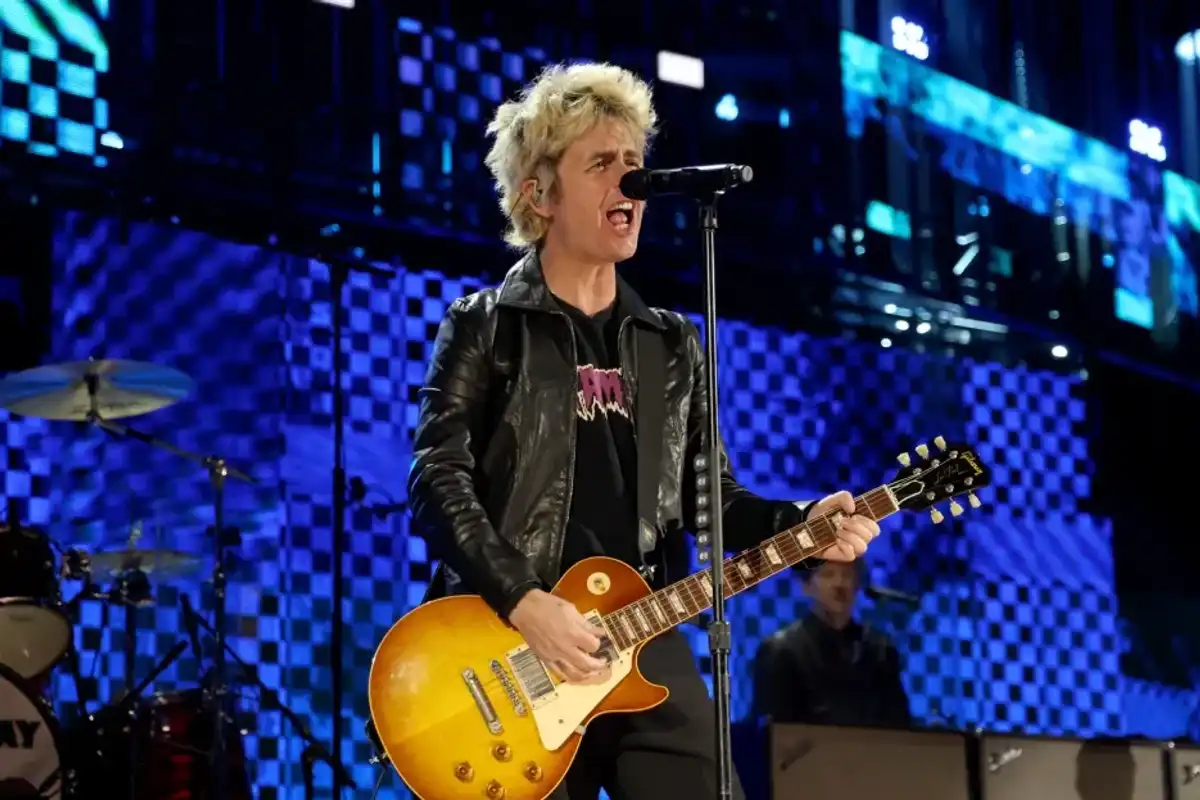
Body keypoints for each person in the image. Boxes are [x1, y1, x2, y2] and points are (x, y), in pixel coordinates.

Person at [407, 61, 883, 800]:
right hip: (513, 637)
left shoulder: (670, 344)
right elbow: (437, 481)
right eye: (601, 163)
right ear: (539, 194)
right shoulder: (486, 326)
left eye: (634, 161)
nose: (630, 182)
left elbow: (712, 503)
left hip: (640, 633)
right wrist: (524, 599)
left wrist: (803, 523)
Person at [752, 559, 912, 728]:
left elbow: (899, 726)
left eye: (847, 575)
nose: (839, 584)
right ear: (807, 586)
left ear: (857, 585)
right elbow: (771, 732)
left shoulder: (881, 651)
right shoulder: (781, 651)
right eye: (828, 575)